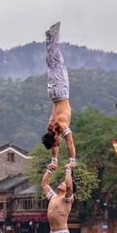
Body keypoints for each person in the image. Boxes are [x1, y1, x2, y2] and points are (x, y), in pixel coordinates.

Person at [41, 21, 76, 169]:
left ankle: (54, 34)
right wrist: (54, 161)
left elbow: (69, 142)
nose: (58, 144)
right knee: (51, 66)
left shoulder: (60, 125)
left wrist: (72, 161)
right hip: (53, 94)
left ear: (55, 137)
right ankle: (49, 38)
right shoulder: (50, 128)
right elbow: (53, 143)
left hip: (61, 92)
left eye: (57, 142)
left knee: (58, 63)